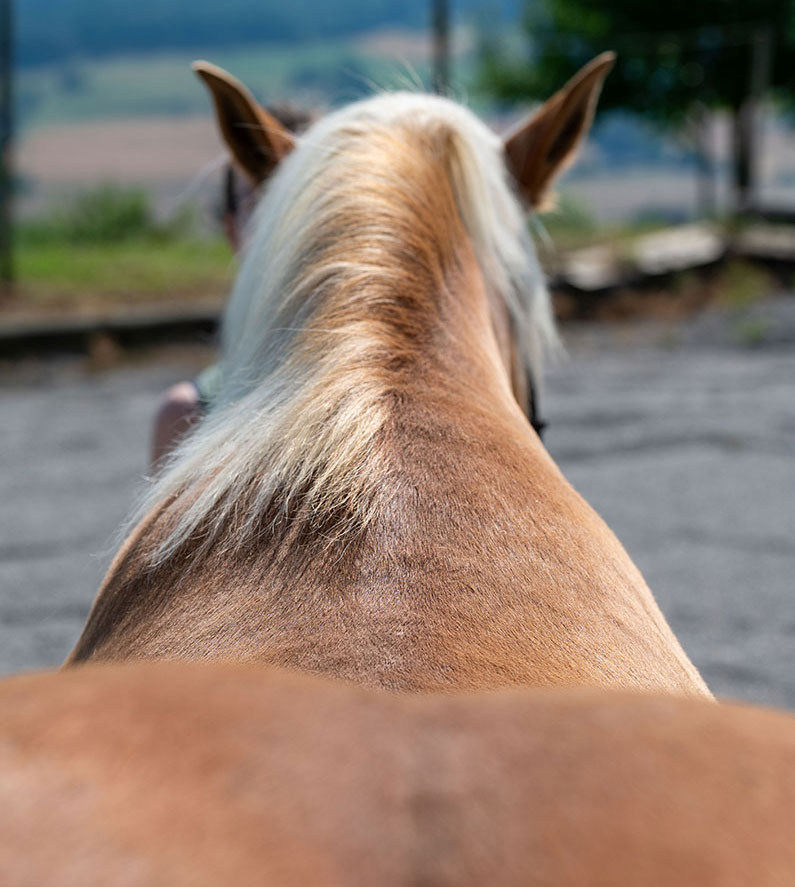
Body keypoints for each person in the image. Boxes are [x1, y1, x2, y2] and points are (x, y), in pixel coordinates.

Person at [150, 104, 312, 469]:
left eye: (302, 197)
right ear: (231, 229)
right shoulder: (188, 417)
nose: (279, 218)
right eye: (259, 199)